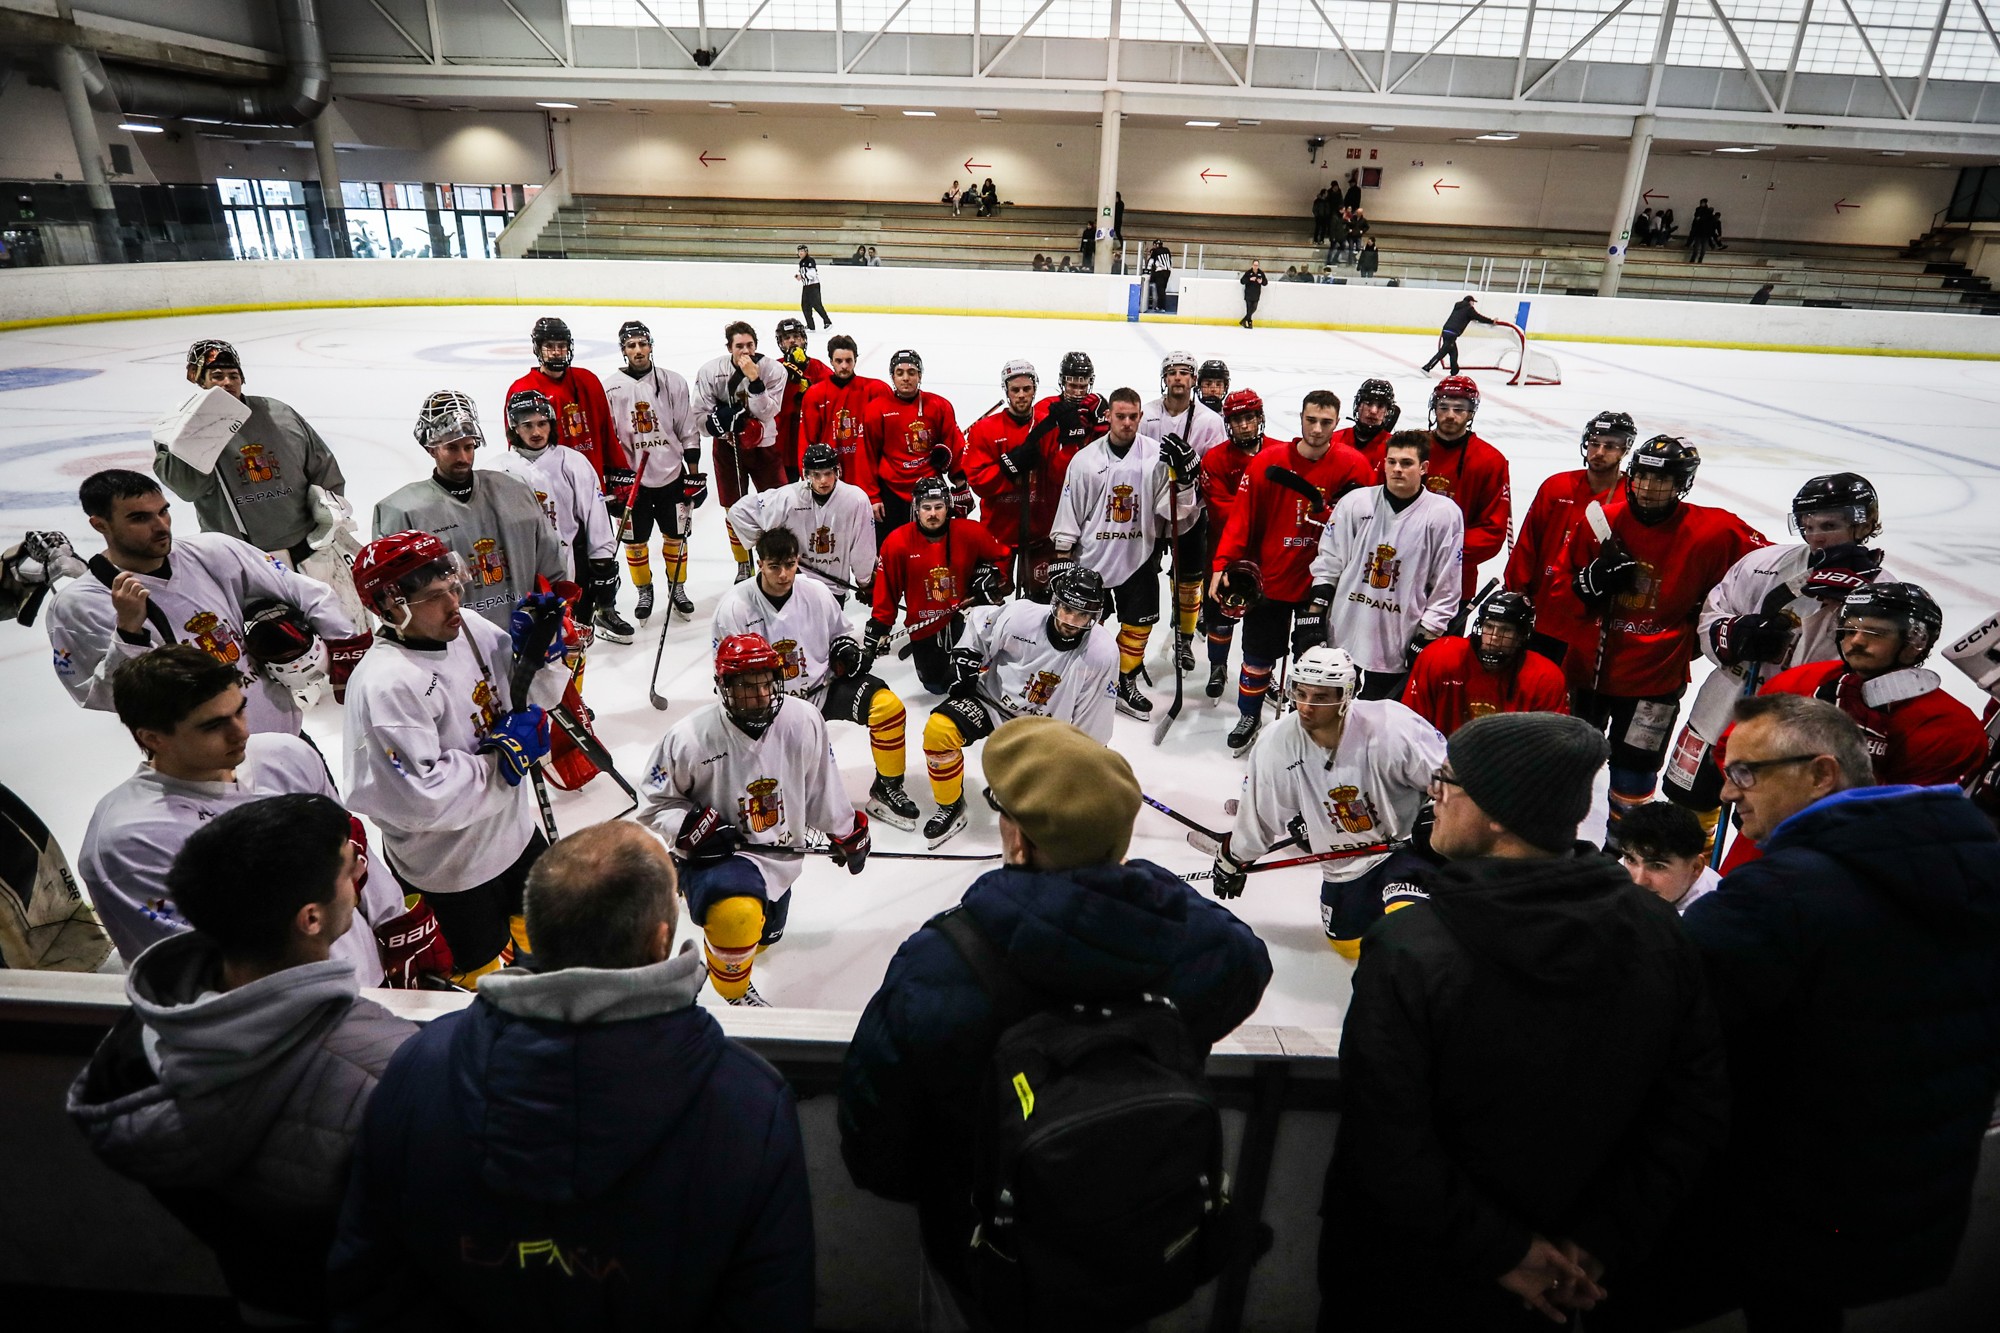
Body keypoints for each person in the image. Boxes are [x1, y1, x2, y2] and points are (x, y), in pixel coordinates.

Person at [839, 716, 1273, 1327]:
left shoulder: (939, 962)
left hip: (990, 1262)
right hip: (1138, 1250)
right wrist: (1135, 878)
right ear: (1123, 842)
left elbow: (874, 1144)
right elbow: (1246, 962)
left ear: (1016, 841)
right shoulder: (1189, 943)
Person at [1321, 711, 1728, 1331]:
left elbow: (1385, 1132)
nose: (1436, 795)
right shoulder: (1662, 936)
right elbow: (1689, 1109)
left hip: (1408, 1278)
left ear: (1498, 813)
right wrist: (1598, 1241)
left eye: (1448, 782)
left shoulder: (1415, 945)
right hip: (1570, 1283)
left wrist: (1503, 1250)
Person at [1608, 694, 2000, 1331]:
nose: (1729, 794)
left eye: (1746, 773)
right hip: (1893, 1191)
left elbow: (1644, 1031)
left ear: (1821, 773)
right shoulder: (1965, 859)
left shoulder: (1776, 899)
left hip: (1771, 1197)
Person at [328, 822, 814, 1332]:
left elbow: (369, 1279)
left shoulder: (419, 1066)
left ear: (532, 934)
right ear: (661, 939)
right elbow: (768, 1308)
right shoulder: (749, 1102)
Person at [68, 793, 417, 1329]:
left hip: (261, 1291)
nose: (359, 876)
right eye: (349, 871)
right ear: (311, 917)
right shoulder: (381, 1063)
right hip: (367, 1303)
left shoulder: (137, 1039)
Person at [78, 644, 396, 983]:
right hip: (279, 1017)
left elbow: (351, 854)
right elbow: (212, 967)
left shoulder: (286, 755)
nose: (240, 731)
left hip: (370, 979)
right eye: (213, 725)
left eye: (240, 711)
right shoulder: (129, 840)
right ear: (153, 738)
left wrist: (395, 922)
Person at [342, 531, 572, 987]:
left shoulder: (468, 626)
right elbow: (420, 800)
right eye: (433, 597)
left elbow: (533, 700)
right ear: (390, 606)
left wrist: (541, 657)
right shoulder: (386, 685)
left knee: (549, 938)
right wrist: (499, 759)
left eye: (452, 586)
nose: (452, 603)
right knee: (483, 984)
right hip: (452, 870)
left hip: (514, 834)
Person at [635, 633, 872, 1007]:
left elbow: (821, 784)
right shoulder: (689, 738)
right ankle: (732, 991)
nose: (760, 695)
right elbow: (652, 800)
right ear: (723, 687)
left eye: (766, 683)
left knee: (764, 935)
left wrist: (845, 829)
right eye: (747, 685)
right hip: (719, 856)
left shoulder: (803, 719)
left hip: (781, 851)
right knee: (738, 916)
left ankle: (736, 946)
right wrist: (687, 828)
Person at [1666, 472, 1898, 841]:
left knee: (1764, 827)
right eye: (1807, 524)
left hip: (1795, 736)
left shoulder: (1882, 592)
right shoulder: (1764, 563)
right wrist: (1735, 635)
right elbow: (1714, 613)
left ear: (1865, 523)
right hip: (1720, 710)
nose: (1816, 535)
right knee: (1685, 808)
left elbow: (1878, 669)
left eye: (1830, 525)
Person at [48, 468, 355, 736]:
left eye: (163, 511)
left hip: (287, 737)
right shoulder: (78, 605)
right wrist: (128, 633)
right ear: (99, 524)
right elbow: (104, 697)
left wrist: (346, 649)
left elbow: (307, 591)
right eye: (139, 518)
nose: (160, 526)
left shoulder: (214, 549)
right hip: (203, 768)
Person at [1567, 435, 1766, 834]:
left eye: (1663, 479)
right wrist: (1587, 584)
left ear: (1683, 484)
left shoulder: (1715, 530)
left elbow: (1769, 566)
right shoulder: (1601, 521)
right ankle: (1556, 839)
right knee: (1569, 762)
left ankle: (1622, 847)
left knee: (1634, 772)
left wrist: (1733, 616)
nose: (1650, 487)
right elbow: (1560, 591)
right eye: (1642, 476)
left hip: (1654, 680)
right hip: (1588, 672)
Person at [1215, 644, 1443, 960]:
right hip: (1343, 868)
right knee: (1348, 947)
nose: (1306, 707)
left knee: (1407, 927)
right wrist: (1235, 855)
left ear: (1346, 696)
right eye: (1301, 692)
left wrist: (1440, 813)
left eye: (1321, 697)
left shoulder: (1393, 725)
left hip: (1403, 850)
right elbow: (1261, 814)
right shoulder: (1277, 743)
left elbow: (1449, 779)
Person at [716, 526, 918, 830]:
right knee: (778, 779)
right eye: (774, 566)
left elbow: (841, 634)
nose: (784, 574)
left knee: (887, 708)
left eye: (790, 564)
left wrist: (847, 652)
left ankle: (887, 787)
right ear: (760, 564)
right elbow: (729, 675)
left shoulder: (816, 592)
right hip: (769, 705)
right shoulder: (735, 607)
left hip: (822, 689)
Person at [1210, 390, 1373, 749]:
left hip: (1325, 584)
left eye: (1326, 422)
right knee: (1256, 656)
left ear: (1337, 422)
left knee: (1317, 666)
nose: (1317, 429)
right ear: (1300, 418)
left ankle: (1308, 728)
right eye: (1311, 420)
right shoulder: (1268, 462)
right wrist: (1222, 563)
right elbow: (1242, 518)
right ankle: (1248, 714)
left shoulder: (1354, 465)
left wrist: (1329, 515)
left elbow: (1366, 527)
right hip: (1272, 578)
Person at [917, 565, 1119, 845]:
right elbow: (978, 623)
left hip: (1045, 733)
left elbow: (1092, 718)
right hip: (993, 702)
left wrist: (1081, 757)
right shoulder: (1021, 616)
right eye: (1067, 610)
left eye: (1083, 615)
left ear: (1094, 617)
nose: (1071, 621)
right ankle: (950, 804)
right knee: (939, 732)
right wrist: (966, 656)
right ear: (1054, 603)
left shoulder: (1102, 654)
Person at [1050, 387, 1200, 721]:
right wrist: (1062, 555)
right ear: (1108, 417)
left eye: (1133, 416)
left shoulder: (1154, 456)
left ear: (1140, 417)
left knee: (1139, 624)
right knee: (1088, 625)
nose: (1127, 423)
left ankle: (1123, 679)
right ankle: (1084, 678)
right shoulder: (1086, 460)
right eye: (1121, 416)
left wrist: (1186, 480)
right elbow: (1070, 509)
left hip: (1139, 554)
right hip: (1092, 558)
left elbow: (1171, 511)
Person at [1754, 581, 1986, 794]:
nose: (1856, 641)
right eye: (1849, 631)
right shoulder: (1800, 680)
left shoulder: (1949, 727)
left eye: (1875, 633)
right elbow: (1732, 751)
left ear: (1916, 641)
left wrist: (1858, 763)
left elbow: (1907, 819)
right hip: (1761, 837)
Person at [372, 390, 566, 629]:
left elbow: (550, 565)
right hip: (453, 647)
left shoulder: (515, 491)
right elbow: (393, 598)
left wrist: (555, 614)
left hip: (525, 637)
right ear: (431, 449)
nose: (463, 457)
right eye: (452, 448)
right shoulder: (401, 511)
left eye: (469, 447)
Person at [1300, 431, 1464, 701]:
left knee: (1377, 724)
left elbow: (1446, 584)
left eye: (1407, 463)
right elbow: (1330, 560)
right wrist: (1314, 614)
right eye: (1391, 461)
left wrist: (1428, 635)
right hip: (1344, 628)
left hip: (1398, 638)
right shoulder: (1356, 502)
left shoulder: (1443, 514)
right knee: (1327, 709)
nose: (1397, 469)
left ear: (1424, 468)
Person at [156, 340, 347, 564]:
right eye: (217, 376)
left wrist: (331, 514)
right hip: (239, 558)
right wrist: (199, 433)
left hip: (306, 548)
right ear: (200, 381)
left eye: (234, 375)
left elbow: (322, 466)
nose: (227, 382)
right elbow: (187, 488)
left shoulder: (279, 413)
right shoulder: (180, 429)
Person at [486, 388, 632, 644]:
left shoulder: (573, 462)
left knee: (573, 642)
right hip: (519, 568)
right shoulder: (497, 469)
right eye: (527, 425)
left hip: (569, 566)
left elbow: (595, 516)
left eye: (542, 424)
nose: (536, 432)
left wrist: (603, 564)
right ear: (514, 428)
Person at [1504, 409, 1635, 677]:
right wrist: (1516, 593)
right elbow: (1528, 544)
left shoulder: (1630, 496)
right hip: (1544, 615)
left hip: (1591, 623)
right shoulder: (1557, 487)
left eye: (1609, 446)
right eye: (1594, 443)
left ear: (1625, 450)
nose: (1599, 452)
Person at [867, 476, 1011, 695]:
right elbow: (887, 589)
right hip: (924, 625)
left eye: (938, 507)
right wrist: (879, 625)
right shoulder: (897, 542)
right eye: (926, 507)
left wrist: (992, 578)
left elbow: (1002, 557)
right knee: (935, 686)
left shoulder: (970, 532)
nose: (932, 514)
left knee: (974, 683)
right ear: (916, 508)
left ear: (948, 507)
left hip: (966, 618)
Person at [605, 318, 702, 622]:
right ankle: (644, 590)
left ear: (651, 346)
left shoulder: (672, 382)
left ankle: (677, 588)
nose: (638, 350)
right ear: (624, 350)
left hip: (672, 474)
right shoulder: (610, 388)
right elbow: (610, 438)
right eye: (631, 345)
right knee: (635, 543)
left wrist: (693, 473)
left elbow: (687, 427)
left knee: (676, 538)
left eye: (642, 344)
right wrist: (614, 481)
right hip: (633, 482)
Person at [962, 359, 1081, 600]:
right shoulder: (985, 429)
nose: (1021, 395)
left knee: (1040, 601)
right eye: (1015, 390)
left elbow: (1061, 479)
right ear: (1006, 391)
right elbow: (977, 482)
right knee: (987, 599)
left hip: (1040, 533)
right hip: (997, 534)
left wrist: (1070, 444)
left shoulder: (1048, 426)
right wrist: (1008, 468)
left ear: (1035, 390)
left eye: (1027, 389)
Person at [1141, 350, 1227, 671]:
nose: (1178, 378)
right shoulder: (1146, 414)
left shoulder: (1210, 421)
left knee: (1189, 580)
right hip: (1149, 513)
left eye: (1184, 372)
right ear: (1164, 379)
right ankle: (1140, 637)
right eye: (1172, 372)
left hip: (1191, 512)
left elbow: (1214, 470)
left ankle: (1184, 640)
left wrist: (1194, 470)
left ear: (1193, 380)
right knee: (1142, 576)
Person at [1195, 391, 1275, 700]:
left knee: (1264, 624)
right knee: (1219, 617)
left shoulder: (1280, 453)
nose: (1244, 425)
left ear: (1259, 418)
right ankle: (1217, 666)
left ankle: (1261, 672)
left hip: (1270, 559)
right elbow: (1224, 512)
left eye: (1249, 418)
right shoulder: (1215, 459)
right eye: (1237, 419)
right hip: (1226, 557)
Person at [1401, 590, 1570, 736]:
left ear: (1521, 637)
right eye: (1489, 627)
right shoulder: (1439, 657)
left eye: (1506, 630)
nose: (1494, 637)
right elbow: (1411, 724)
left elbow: (1552, 746)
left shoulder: (1545, 679)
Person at [729, 442, 878, 604]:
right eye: (816, 475)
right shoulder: (788, 497)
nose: (823, 481)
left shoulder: (856, 500)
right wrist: (768, 544)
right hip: (792, 584)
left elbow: (862, 548)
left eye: (828, 473)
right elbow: (738, 512)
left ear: (837, 471)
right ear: (807, 474)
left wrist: (865, 580)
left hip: (832, 590)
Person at [696, 321, 788, 580]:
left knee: (777, 505)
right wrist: (717, 423)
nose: (745, 350)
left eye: (750, 345)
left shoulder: (773, 371)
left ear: (756, 345)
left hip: (765, 448)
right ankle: (742, 563)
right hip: (728, 448)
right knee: (733, 508)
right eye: (739, 346)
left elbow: (769, 411)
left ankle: (778, 557)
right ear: (729, 348)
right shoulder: (711, 372)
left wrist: (755, 380)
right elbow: (699, 416)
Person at [505, 316, 632, 497]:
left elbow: (607, 434)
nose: (556, 352)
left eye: (561, 346)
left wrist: (620, 471)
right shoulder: (522, 390)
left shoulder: (589, 381)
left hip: (592, 487)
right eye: (549, 346)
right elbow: (516, 446)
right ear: (538, 348)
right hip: (549, 492)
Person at [1422, 375, 1513, 600]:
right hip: (1399, 574)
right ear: (1434, 407)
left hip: (1454, 582)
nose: (1450, 415)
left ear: (1472, 412)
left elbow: (1492, 532)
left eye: (1459, 408)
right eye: (1443, 406)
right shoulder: (1410, 448)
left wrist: (1443, 552)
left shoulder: (1490, 461)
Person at [862, 347, 968, 538]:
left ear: (920, 375)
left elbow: (954, 444)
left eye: (912, 372)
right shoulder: (876, 409)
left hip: (930, 487)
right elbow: (868, 454)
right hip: (891, 491)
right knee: (892, 546)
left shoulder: (939, 406)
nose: (905, 378)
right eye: (899, 373)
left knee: (932, 548)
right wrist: (873, 495)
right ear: (892, 377)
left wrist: (961, 485)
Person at [798, 332, 885, 493]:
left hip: (866, 478)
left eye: (848, 360)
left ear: (855, 361)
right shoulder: (815, 394)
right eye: (839, 361)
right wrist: (808, 477)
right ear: (831, 361)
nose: (844, 366)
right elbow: (807, 440)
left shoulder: (875, 390)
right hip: (828, 478)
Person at [1615, 800, 1718, 915]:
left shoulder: (1706, 922)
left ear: (1695, 867)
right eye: (1631, 860)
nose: (1639, 881)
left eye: (1657, 866)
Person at [770, 316, 831, 482]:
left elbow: (831, 397)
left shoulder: (817, 367)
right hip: (783, 442)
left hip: (811, 440)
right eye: (787, 338)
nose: (792, 341)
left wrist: (810, 389)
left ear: (804, 339)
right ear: (780, 343)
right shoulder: (774, 368)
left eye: (796, 337)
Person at [1420, 294, 1497, 376]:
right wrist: (1492, 321)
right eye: (1473, 302)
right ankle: (1426, 368)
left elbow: (1464, 316)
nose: (1473, 304)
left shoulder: (1457, 306)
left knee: (1454, 352)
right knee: (1442, 352)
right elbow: (1479, 317)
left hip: (1446, 330)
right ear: (1470, 301)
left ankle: (1455, 372)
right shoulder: (1469, 309)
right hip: (1452, 333)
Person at [1332, 377, 1398, 470]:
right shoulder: (1334, 440)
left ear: (1387, 411)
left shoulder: (1395, 447)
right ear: (1358, 406)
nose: (1373, 411)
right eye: (1368, 403)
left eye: (1380, 406)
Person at [795, 244, 831, 329]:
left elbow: (812, 275)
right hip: (806, 286)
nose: (800, 253)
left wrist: (801, 276)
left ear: (806, 252)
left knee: (816, 304)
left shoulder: (809, 261)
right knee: (805, 306)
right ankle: (811, 326)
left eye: (802, 251)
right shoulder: (802, 262)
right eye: (799, 251)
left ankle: (827, 322)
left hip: (813, 286)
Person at [1145, 238, 1172, 312]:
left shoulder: (1155, 251)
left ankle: (1161, 307)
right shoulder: (1167, 249)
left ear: (1155, 245)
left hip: (1160, 272)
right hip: (1168, 272)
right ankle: (1161, 306)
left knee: (1160, 290)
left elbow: (1151, 261)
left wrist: (1147, 270)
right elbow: (1169, 260)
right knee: (1163, 289)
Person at [1239, 259, 1268, 328]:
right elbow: (1242, 281)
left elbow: (1265, 282)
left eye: (1257, 265)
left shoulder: (1261, 273)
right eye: (1254, 265)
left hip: (1256, 294)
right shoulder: (1248, 273)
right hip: (1248, 293)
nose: (1255, 266)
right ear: (1252, 265)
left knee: (1254, 308)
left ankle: (1243, 320)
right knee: (1249, 309)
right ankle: (1249, 322)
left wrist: (1261, 282)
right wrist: (1249, 279)